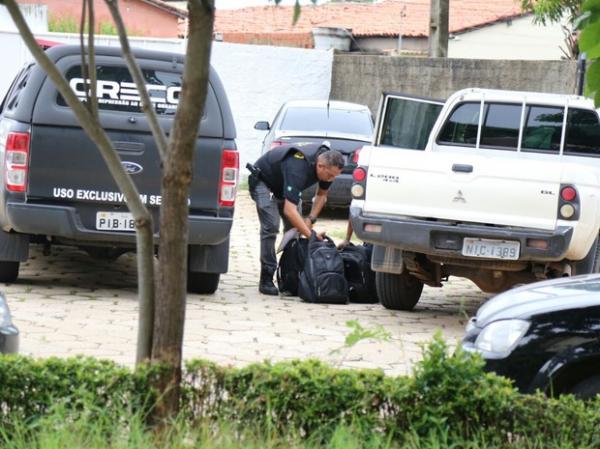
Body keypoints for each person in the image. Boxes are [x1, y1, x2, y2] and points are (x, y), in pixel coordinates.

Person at [248, 143, 345, 295]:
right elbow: (289, 210)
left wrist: (310, 220)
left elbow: (321, 195)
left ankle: (289, 276)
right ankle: (266, 277)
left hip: (285, 186)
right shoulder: (298, 166)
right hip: (263, 182)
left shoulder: (327, 163)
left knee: (295, 231)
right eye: (330, 176)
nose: (331, 179)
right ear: (320, 166)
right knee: (271, 226)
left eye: (334, 176)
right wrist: (311, 236)